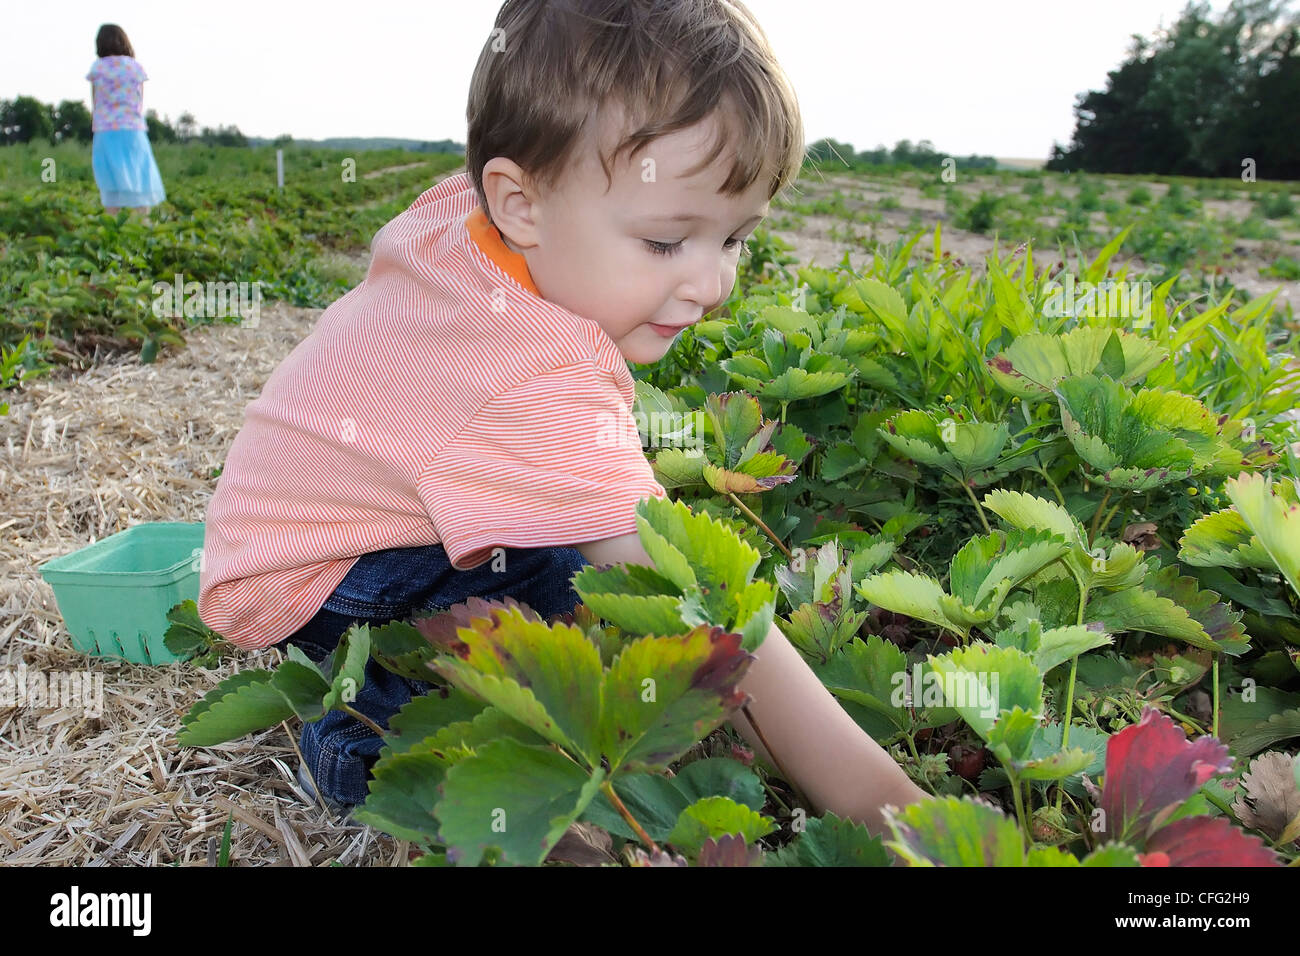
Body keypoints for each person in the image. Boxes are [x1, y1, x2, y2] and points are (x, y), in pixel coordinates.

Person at [197, 0, 929, 835]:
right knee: (565, 631)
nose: (713, 282)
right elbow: (697, 609)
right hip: (325, 573)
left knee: (578, 604)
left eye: (734, 238)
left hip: (300, 523)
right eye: (665, 243)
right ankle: (367, 739)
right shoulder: (529, 374)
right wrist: (900, 817)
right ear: (520, 203)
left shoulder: (475, 222)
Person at [86, 23, 165, 216]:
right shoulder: (135, 67)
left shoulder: (98, 68)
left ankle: (111, 225)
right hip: (132, 129)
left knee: (110, 180)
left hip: (105, 130)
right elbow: (140, 102)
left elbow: (95, 102)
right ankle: (144, 224)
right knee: (139, 175)